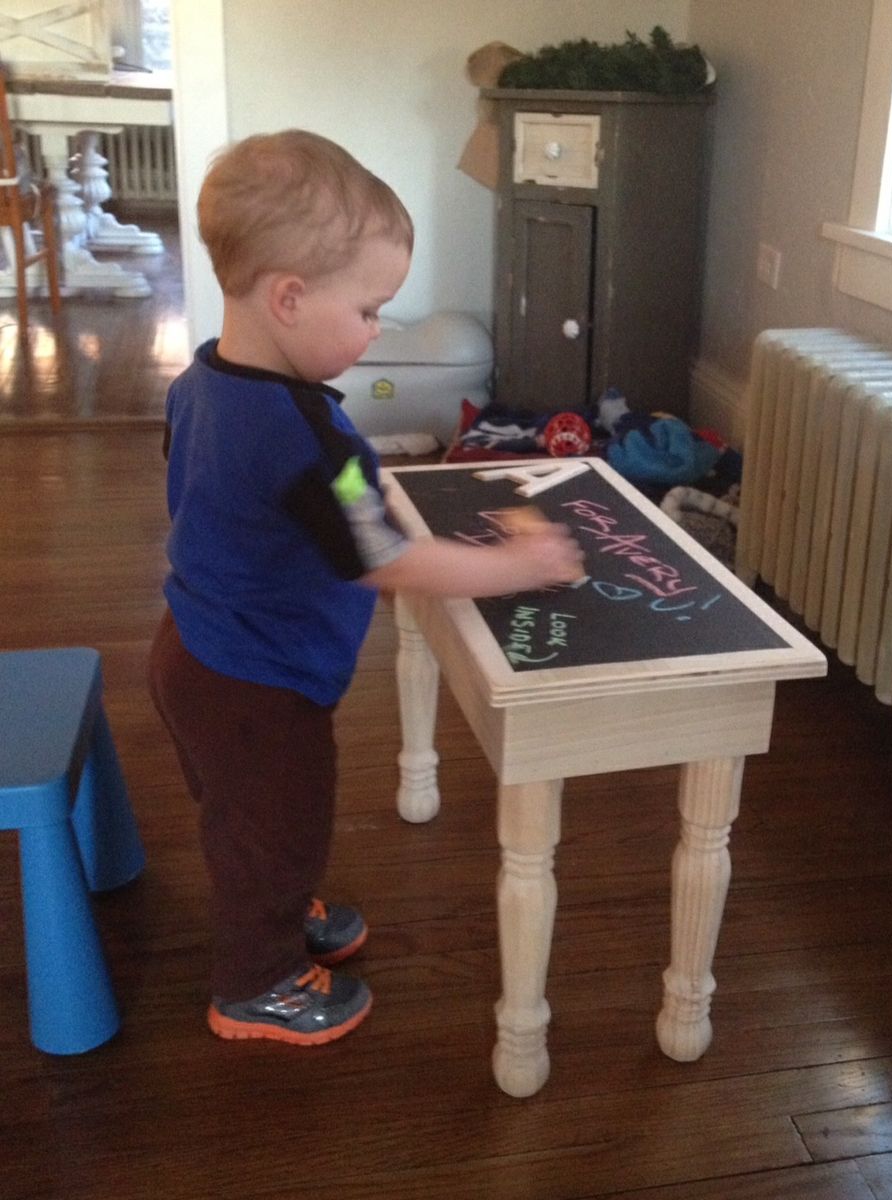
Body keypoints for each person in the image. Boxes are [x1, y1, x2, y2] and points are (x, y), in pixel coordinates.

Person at [147, 129, 583, 1047]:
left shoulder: (206, 379)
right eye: (371, 309)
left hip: (192, 651)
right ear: (290, 297)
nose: (378, 330)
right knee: (277, 824)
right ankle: (254, 984)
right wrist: (521, 565)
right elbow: (386, 561)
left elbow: (345, 494)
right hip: (257, 685)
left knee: (247, 816)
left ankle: (273, 906)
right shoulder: (305, 438)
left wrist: (386, 497)